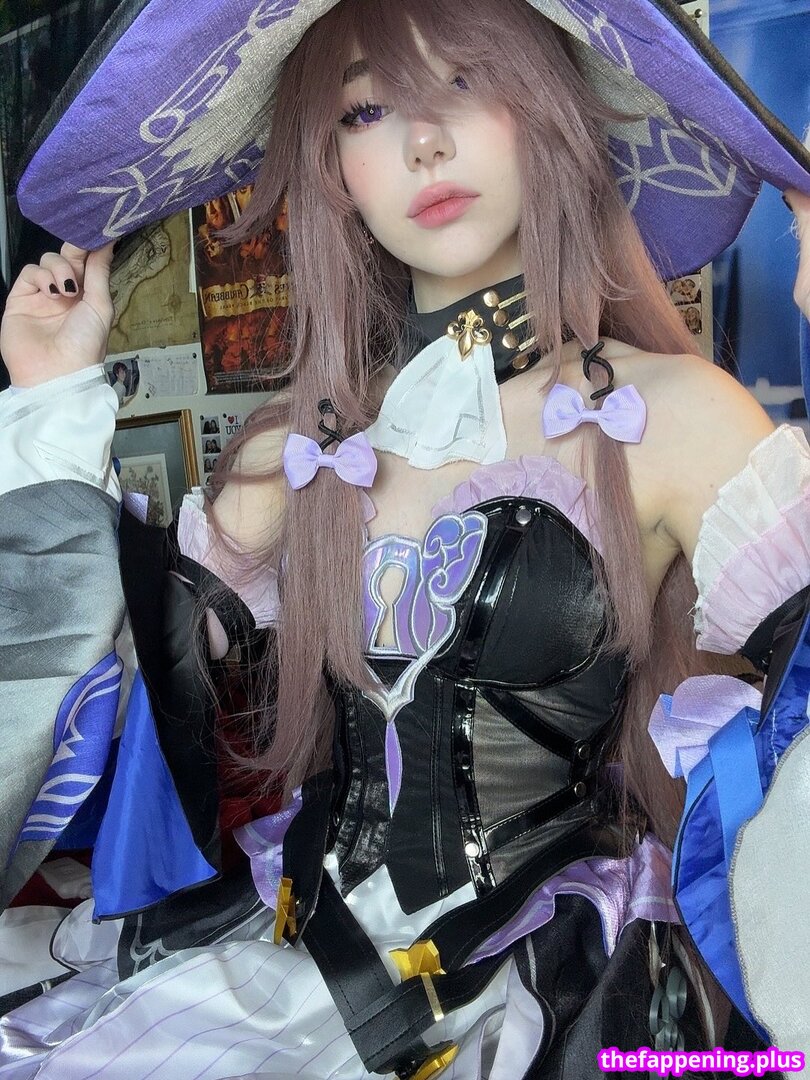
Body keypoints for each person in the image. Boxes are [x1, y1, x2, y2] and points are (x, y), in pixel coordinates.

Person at [1, 0, 810, 1076]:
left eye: (466, 81)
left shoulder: (671, 415)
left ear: (552, 107)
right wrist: (52, 404)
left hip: (550, 992)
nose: (423, 142)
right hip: (285, 957)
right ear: (331, 166)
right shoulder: (297, 450)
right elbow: (93, 700)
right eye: (367, 110)